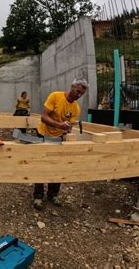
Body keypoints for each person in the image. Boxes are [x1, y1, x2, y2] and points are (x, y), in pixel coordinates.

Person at [33, 78, 88, 210]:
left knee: (58, 166)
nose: (79, 95)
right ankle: (38, 196)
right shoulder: (55, 96)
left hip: (58, 138)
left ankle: (53, 194)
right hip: (43, 134)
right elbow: (43, 117)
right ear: (72, 87)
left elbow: (69, 127)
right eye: (78, 91)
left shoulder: (75, 108)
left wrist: (66, 134)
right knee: (41, 166)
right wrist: (59, 125)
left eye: (82, 94)